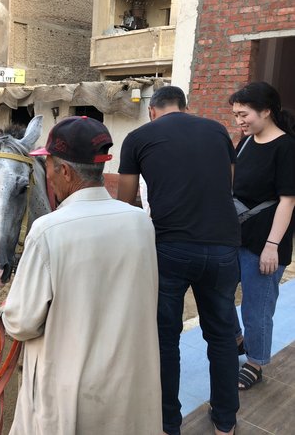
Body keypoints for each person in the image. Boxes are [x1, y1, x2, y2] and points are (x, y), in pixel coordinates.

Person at [0, 116, 162, 434]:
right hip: (129, 387)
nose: (47, 175)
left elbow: (22, 322)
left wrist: (4, 314)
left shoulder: (48, 231)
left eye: (48, 166)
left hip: (71, 395)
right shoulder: (141, 222)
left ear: (66, 171)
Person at [117, 86, 241, 435]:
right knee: (222, 336)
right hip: (223, 247)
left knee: (165, 339)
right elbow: (228, 186)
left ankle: (168, 423)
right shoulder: (217, 130)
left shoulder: (138, 138)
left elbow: (125, 202)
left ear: (152, 111)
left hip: (170, 248)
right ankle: (225, 422)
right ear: (186, 108)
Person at [229, 82, 295, 391]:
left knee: (256, 307)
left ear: (266, 111)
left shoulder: (286, 147)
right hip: (235, 235)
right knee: (217, 293)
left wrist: (272, 246)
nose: (239, 121)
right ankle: (238, 339)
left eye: (244, 114)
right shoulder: (245, 142)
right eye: (236, 115)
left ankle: (255, 362)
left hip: (264, 242)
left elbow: (288, 200)